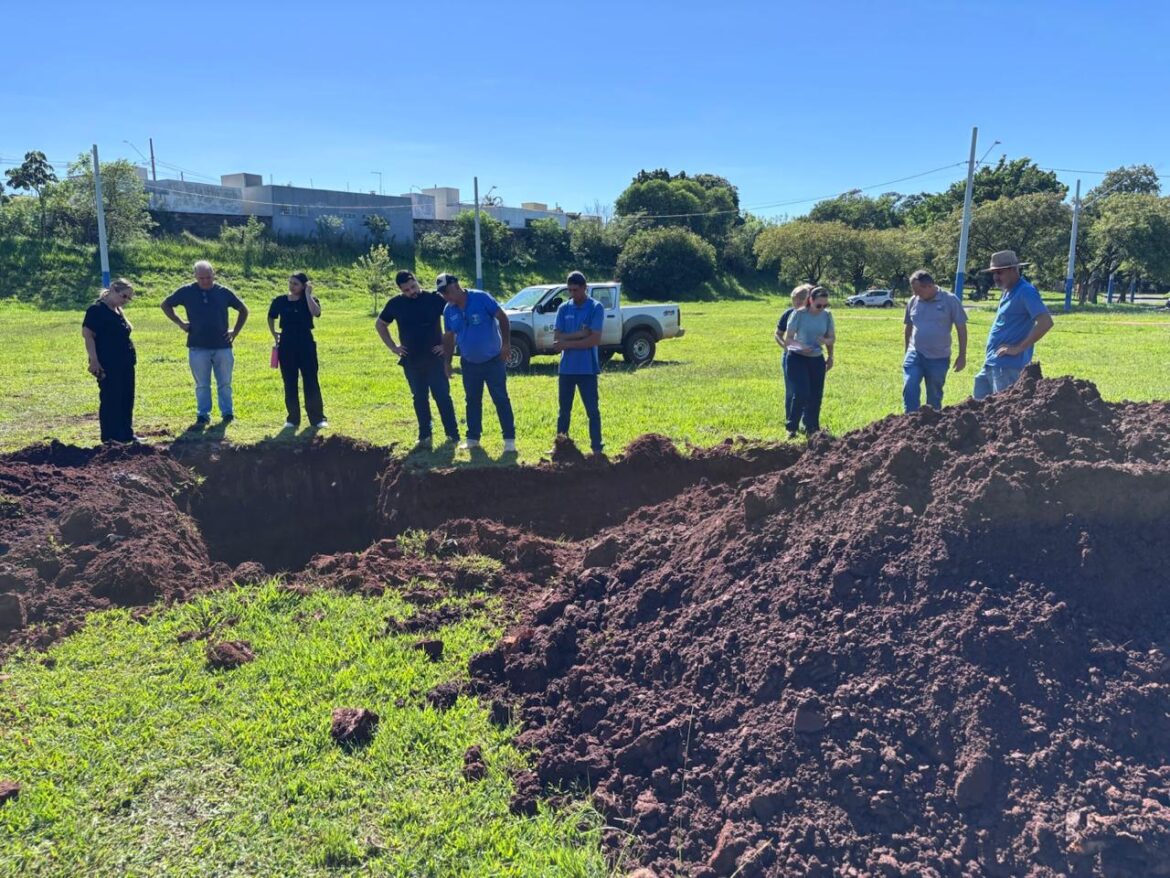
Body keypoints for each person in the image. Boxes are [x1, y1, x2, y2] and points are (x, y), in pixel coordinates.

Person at [376, 270, 459, 446]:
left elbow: (456, 318)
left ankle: (452, 434)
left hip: (435, 359)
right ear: (400, 289)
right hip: (411, 360)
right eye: (406, 290)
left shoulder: (435, 299)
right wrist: (393, 347)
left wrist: (447, 345)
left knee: (442, 396)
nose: (411, 291)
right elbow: (381, 324)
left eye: (413, 286)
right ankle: (425, 435)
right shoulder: (395, 304)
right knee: (419, 397)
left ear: (416, 281)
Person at [161, 260, 248, 424]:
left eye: (208, 277)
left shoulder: (223, 292)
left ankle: (227, 413)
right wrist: (180, 322)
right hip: (197, 345)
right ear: (195, 276)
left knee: (225, 382)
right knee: (202, 384)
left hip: (222, 345)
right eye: (201, 278)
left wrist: (235, 331)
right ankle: (203, 414)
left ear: (213, 275)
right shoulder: (186, 291)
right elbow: (165, 304)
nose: (205, 281)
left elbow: (243, 309)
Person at [437, 273, 516, 453]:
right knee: (472, 400)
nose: (446, 297)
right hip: (469, 363)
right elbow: (449, 337)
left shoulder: (481, 298)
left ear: (456, 286)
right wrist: (447, 362)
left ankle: (509, 440)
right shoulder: (449, 311)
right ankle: (473, 438)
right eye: (442, 294)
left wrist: (506, 345)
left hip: (493, 360)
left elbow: (502, 318)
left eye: (447, 292)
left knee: (501, 398)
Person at [973, 250, 1054, 400]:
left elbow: (1045, 322)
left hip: (1008, 366)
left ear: (1014, 269)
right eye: (994, 273)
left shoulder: (1026, 291)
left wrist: (1018, 348)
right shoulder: (1007, 291)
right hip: (992, 362)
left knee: (1002, 410)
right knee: (978, 411)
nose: (996, 277)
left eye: (999, 272)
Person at [553, 270, 606, 454]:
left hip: (587, 369)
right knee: (563, 412)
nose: (572, 294)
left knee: (592, 410)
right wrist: (580, 335)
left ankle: (597, 447)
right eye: (569, 290)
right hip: (566, 369)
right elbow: (556, 340)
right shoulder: (563, 309)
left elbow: (594, 340)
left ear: (585, 288)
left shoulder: (595, 308)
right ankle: (560, 446)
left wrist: (567, 343)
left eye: (576, 290)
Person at [902, 270, 968, 412]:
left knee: (934, 395)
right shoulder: (913, 301)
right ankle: (909, 421)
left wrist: (962, 355)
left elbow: (961, 328)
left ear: (929, 286)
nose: (915, 294)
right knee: (910, 386)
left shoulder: (950, 300)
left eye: (918, 290)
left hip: (939, 357)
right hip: (915, 354)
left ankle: (931, 425)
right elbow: (908, 327)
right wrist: (907, 351)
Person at [267, 272, 327, 429]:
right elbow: (271, 316)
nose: (292, 286)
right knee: (289, 381)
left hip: (306, 343)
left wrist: (308, 294)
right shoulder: (280, 300)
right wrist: (274, 333)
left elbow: (316, 313)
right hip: (286, 343)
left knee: (311, 380)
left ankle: (317, 418)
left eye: (296, 284)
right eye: (290, 283)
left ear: (304, 285)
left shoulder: (310, 300)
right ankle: (293, 418)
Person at [82, 278, 137, 443]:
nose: (125, 301)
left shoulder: (118, 310)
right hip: (108, 362)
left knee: (126, 397)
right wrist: (94, 360)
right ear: (113, 290)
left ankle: (126, 434)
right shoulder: (96, 310)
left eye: (129, 298)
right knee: (111, 398)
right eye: (124, 296)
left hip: (126, 362)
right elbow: (88, 335)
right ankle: (110, 437)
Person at [783, 286, 835, 436]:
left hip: (816, 359)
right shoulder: (798, 314)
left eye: (825, 305)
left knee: (815, 395)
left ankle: (812, 428)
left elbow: (832, 338)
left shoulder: (827, 316)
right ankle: (791, 428)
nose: (822, 308)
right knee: (801, 392)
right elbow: (788, 340)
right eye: (819, 305)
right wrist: (801, 346)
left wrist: (828, 351)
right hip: (797, 358)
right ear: (810, 300)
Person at [775, 284, 812, 433]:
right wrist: (785, 346)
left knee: (808, 390)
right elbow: (778, 333)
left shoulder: (815, 315)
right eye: (794, 300)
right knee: (792, 391)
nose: (796, 303)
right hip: (791, 357)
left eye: (799, 300)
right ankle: (791, 425)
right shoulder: (788, 314)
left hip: (810, 358)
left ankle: (808, 423)